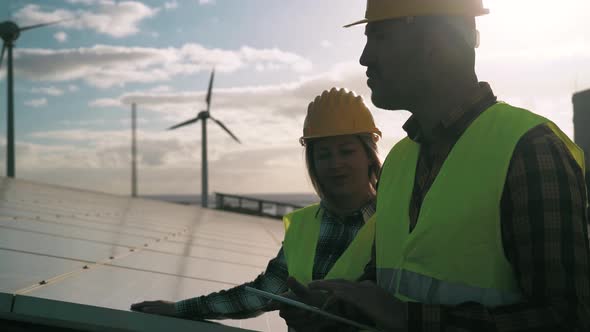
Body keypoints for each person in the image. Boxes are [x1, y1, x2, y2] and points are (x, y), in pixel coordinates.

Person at [277, 1, 590, 331]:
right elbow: (388, 280)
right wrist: (336, 311)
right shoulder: (398, 161)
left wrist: (407, 319)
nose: (364, 58)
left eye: (379, 36)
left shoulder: (530, 151)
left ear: (436, 40)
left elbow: (568, 319)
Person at [130, 87, 383, 324]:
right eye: (324, 154)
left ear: (369, 154)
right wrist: (180, 309)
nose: (335, 163)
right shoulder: (304, 226)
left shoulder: (395, 219)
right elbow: (265, 293)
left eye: (346, 151)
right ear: (312, 161)